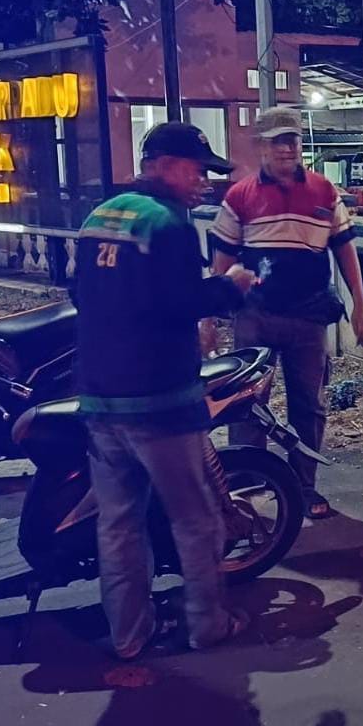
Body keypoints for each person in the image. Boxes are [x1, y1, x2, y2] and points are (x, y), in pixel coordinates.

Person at [74, 122, 253, 659]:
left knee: (118, 525)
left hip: (100, 397)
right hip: (159, 400)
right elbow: (179, 304)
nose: (203, 181)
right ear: (164, 165)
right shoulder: (168, 222)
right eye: (196, 170)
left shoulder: (99, 216)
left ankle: (128, 636)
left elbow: (80, 294)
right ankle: (208, 624)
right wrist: (231, 287)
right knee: (195, 519)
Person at [208, 106, 363, 520]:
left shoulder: (323, 191)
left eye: (292, 140)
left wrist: (361, 305)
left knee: (309, 405)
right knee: (246, 403)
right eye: (278, 141)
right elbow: (222, 261)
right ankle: (246, 488)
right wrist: (206, 318)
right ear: (261, 146)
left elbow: (345, 250)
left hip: (308, 315)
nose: (287, 148)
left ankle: (304, 488)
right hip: (255, 314)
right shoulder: (240, 196)